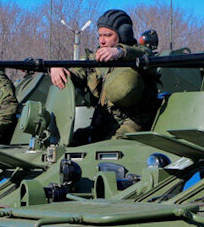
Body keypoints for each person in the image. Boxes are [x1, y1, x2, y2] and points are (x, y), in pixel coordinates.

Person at [50, 9, 159, 140]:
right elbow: (76, 72)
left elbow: (146, 54)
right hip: (101, 123)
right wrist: (57, 68)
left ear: (123, 34)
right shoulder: (95, 59)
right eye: (100, 36)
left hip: (132, 124)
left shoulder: (139, 55)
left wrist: (120, 52)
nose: (102, 41)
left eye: (107, 35)